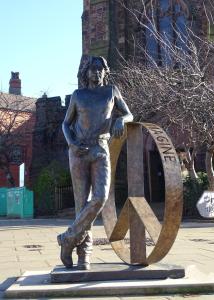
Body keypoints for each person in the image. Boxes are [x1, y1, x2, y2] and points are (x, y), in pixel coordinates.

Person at [57, 56, 133, 270]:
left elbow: (128, 113)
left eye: (100, 70)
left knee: (99, 198)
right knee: (82, 205)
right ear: (86, 73)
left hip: (101, 149)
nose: (96, 73)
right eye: (93, 69)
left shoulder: (111, 92)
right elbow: (65, 123)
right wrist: (71, 142)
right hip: (79, 151)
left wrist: (120, 119)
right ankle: (84, 256)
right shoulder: (78, 95)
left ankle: (68, 238)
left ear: (104, 72)